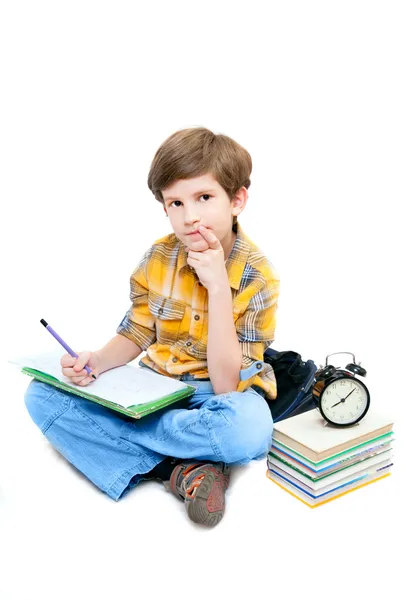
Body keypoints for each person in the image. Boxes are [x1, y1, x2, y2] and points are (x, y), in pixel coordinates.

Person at [24, 126, 280, 528]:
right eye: (175, 202)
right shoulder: (158, 258)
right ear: (164, 207)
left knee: (250, 429)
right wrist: (97, 361)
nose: (189, 216)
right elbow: (137, 332)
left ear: (237, 200)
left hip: (215, 397)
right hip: (156, 388)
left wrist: (217, 288)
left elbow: (228, 382)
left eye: (204, 198)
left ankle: (145, 450)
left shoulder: (257, 276)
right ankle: (180, 469)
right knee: (41, 396)